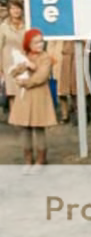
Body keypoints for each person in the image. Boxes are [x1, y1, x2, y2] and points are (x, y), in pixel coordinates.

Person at [8, 28, 57, 169]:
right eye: (36, 42)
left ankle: (41, 159)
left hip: (39, 94)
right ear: (28, 44)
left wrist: (27, 82)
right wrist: (22, 66)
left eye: (41, 41)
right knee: (24, 128)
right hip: (24, 97)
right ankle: (28, 159)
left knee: (38, 127)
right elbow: (13, 72)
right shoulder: (24, 56)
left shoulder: (45, 57)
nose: (40, 45)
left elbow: (42, 76)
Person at [0, 0, 26, 118]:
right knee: (12, 92)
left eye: (18, 8)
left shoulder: (27, 24)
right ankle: (15, 118)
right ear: (9, 10)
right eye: (13, 8)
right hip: (9, 63)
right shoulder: (3, 27)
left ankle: (25, 116)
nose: (16, 11)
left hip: (24, 62)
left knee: (24, 90)